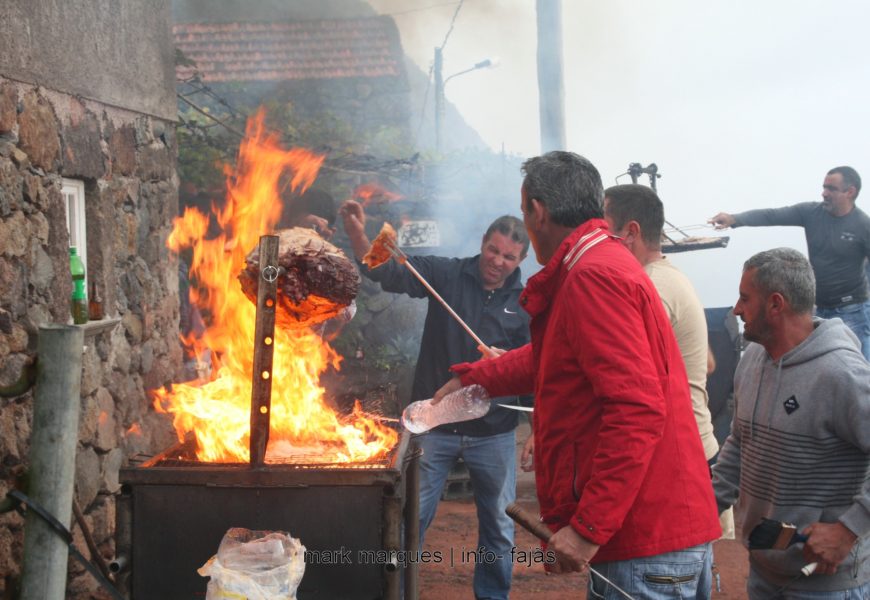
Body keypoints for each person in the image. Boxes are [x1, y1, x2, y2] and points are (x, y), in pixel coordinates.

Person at [436, 151, 721, 598]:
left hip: (645, 542)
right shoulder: (597, 264)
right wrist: (479, 377)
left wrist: (588, 528)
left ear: (537, 211)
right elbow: (557, 359)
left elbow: (637, 410)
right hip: (657, 536)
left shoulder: (593, 276)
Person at [340, 200, 531, 600]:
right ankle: (400, 592)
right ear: (483, 243)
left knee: (498, 524)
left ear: (521, 260)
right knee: (412, 517)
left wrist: (508, 363)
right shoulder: (448, 272)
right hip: (435, 423)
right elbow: (391, 273)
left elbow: (539, 367)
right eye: (493, 250)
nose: (497, 261)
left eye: (508, 257)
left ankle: (492, 597)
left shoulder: (528, 304)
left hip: (493, 433)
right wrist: (358, 234)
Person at [712, 248, 870, 598]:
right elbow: (740, 442)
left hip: (826, 586)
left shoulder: (841, 374)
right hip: (764, 574)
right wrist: (708, 505)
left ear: (775, 304)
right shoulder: (753, 356)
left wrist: (848, 530)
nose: (737, 309)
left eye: (744, 298)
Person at [603, 183, 719, 462]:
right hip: (696, 443)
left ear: (631, 232)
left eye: (605, 231)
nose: (600, 240)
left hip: (679, 451)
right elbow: (707, 363)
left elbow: (618, 374)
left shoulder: (650, 287)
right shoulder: (670, 278)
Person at [709, 167, 870, 359]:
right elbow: (773, 215)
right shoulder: (811, 213)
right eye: (824, 187)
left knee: (856, 368)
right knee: (819, 363)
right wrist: (735, 219)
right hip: (818, 308)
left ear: (850, 192)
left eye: (831, 189)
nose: (824, 193)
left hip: (852, 311)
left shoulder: (862, 225)